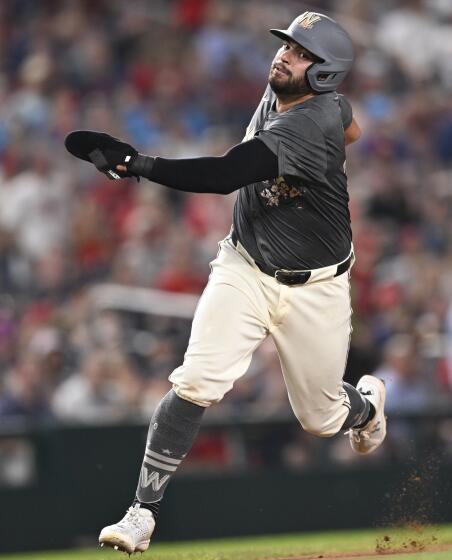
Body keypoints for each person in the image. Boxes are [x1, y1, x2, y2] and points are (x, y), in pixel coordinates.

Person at [66, 12, 387, 554]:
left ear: (325, 74)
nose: (284, 55)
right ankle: (142, 512)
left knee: (321, 417)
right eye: (286, 44)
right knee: (196, 381)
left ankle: (369, 406)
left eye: (300, 52)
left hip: (317, 286)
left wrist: (138, 162)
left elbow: (222, 176)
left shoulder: (311, 123)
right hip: (245, 265)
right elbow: (352, 125)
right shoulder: (303, 101)